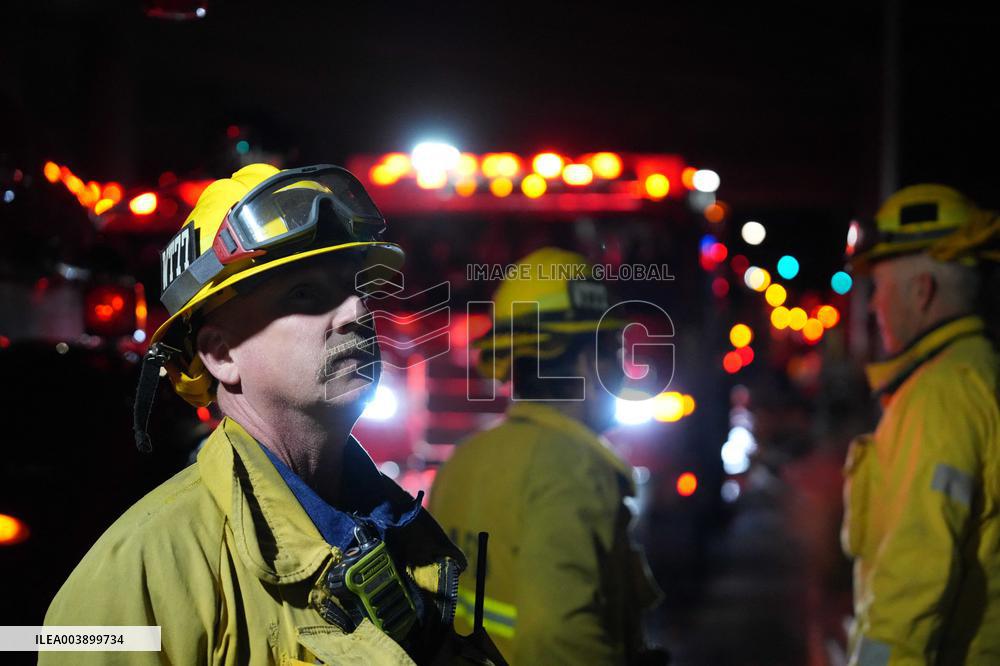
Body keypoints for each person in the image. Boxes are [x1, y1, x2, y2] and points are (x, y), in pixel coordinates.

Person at [41, 164, 496, 665]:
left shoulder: (401, 530)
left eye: (355, 287)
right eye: (304, 295)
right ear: (221, 355)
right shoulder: (137, 576)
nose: (357, 313)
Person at [429, 247, 664, 665]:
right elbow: (559, 640)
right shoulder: (573, 470)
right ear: (589, 364)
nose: (624, 370)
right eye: (613, 351)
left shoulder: (464, 460)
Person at [840, 184, 1000, 665]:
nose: (871, 306)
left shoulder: (939, 394)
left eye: (879, 288)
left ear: (921, 290)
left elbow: (912, 581)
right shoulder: (980, 371)